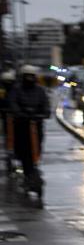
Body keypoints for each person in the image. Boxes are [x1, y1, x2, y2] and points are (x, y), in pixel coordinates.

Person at [8, 65, 49, 194]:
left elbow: (46, 105)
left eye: (32, 76)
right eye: (27, 76)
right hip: (22, 125)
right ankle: (27, 173)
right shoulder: (17, 90)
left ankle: (33, 169)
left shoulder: (40, 91)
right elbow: (12, 103)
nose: (30, 79)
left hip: (36, 125)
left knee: (36, 149)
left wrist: (43, 113)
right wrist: (19, 113)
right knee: (23, 150)